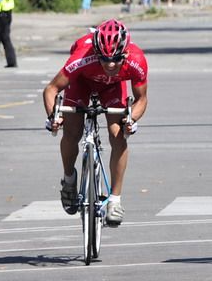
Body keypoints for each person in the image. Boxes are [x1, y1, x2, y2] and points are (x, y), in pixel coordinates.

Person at [41, 18, 148, 227]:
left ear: (125, 53)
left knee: (118, 135)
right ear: (96, 52)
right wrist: (53, 117)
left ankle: (115, 201)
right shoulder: (82, 56)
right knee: (72, 133)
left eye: (116, 59)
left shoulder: (137, 60)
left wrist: (131, 118)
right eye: (104, 58)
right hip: (81, 82)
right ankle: (69, 179)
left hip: (112, 88)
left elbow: (141, 99)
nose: (109, 65)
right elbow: (51, 89)